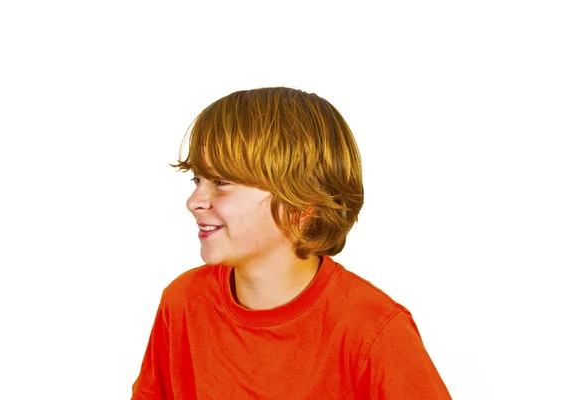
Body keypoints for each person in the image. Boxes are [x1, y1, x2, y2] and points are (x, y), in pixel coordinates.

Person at [131, 87, 452, 399]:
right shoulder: (184, 302)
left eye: (222, 183)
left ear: (300, 205)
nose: (195, 201)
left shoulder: (373, 330)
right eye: (197, 180)